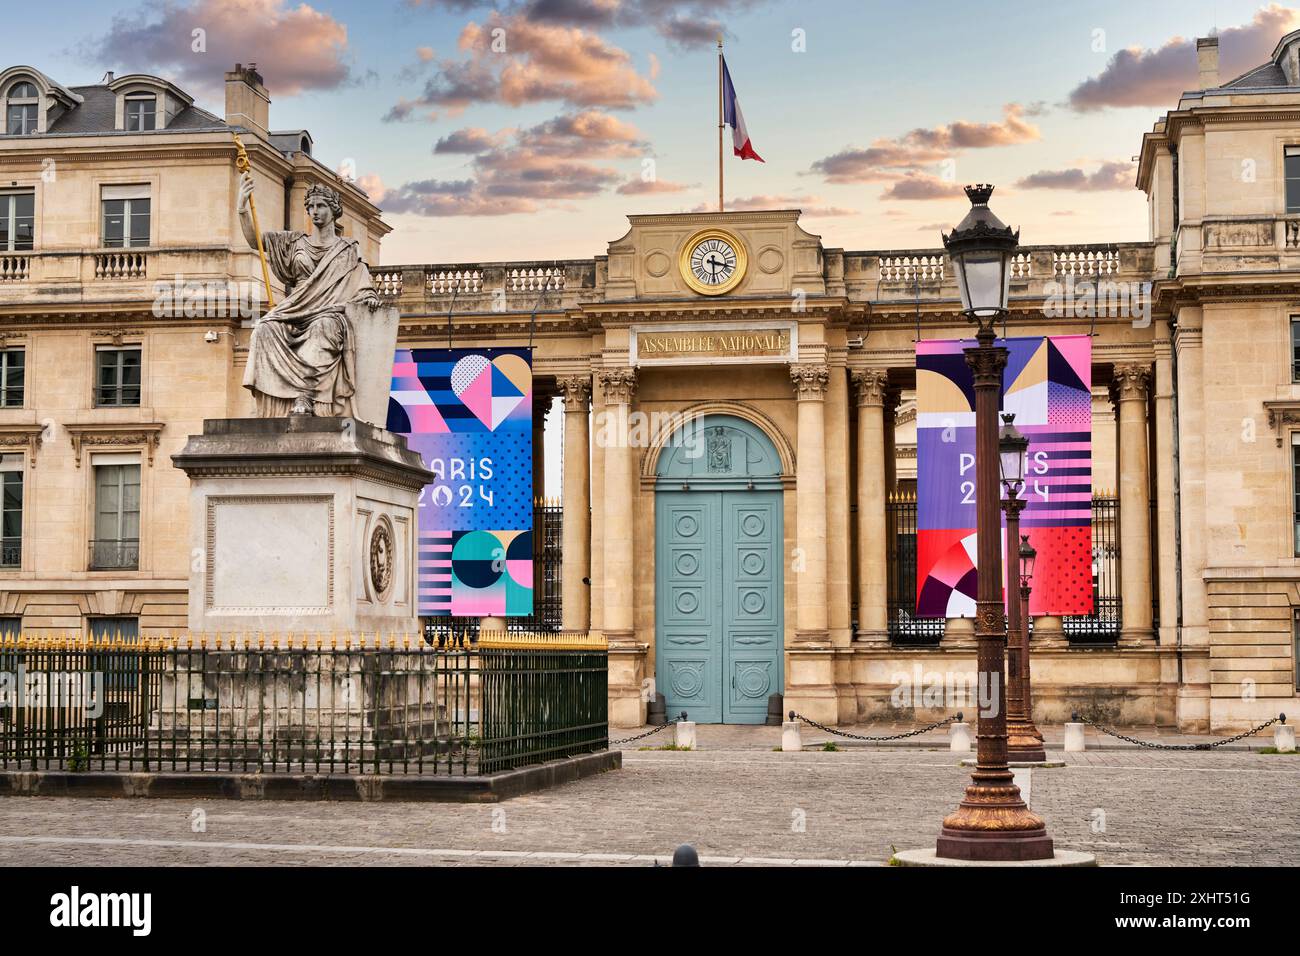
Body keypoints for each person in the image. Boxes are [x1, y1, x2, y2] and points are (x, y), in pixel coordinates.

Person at [236, 172, 380, 416]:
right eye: (311, 206)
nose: (315, 211)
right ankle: (269, 404)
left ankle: (306, 396)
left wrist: (369, 295)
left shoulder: (346, 249)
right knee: (264, 329)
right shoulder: (293, 242)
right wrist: (242, 208)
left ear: (334, 210)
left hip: (329, 312)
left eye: (321, 206)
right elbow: (255, 242)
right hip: (295, 309)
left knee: (323, 328)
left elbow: (361, 280)